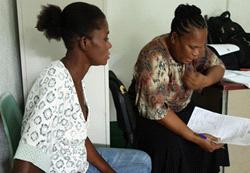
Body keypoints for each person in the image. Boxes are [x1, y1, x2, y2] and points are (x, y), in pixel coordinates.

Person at [12, 2, 151, 173]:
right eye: (105, 38)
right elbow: (25, 163)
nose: (109, 45)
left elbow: (78, 139)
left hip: (79, 163)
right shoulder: (54, 83)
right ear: (85, 43)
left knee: (143, 161)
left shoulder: (74, 78)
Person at [128, 4, 230, 173]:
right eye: (192, 47)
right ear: (174, 38)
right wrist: (195, 137)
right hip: (151, 118)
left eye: (200, 46)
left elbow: (218, 66)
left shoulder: (195, 49)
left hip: (180, 108)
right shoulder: (154, 56)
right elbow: (157, 110)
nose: (197, 53)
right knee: (172, 145)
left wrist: (205, 80)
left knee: (213, 131)